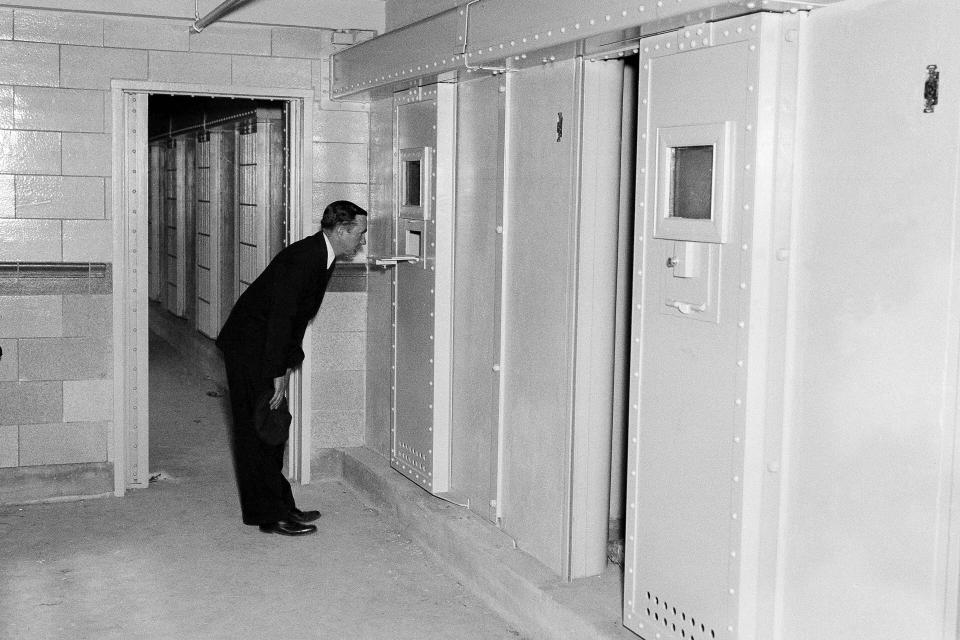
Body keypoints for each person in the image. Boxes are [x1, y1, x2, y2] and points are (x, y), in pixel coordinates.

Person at [216, 200, 368, 536]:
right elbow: (281, 321)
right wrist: (279, 374)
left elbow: (295, 320)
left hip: (264, 346)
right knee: (257, 431)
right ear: (342, 230)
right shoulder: (306, 258)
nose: (362, 241)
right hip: (249, 348)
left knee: (271, 429)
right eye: (360, 233)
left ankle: (282, 505)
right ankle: (269, 516)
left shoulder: (322, 255)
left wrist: (285, 365)